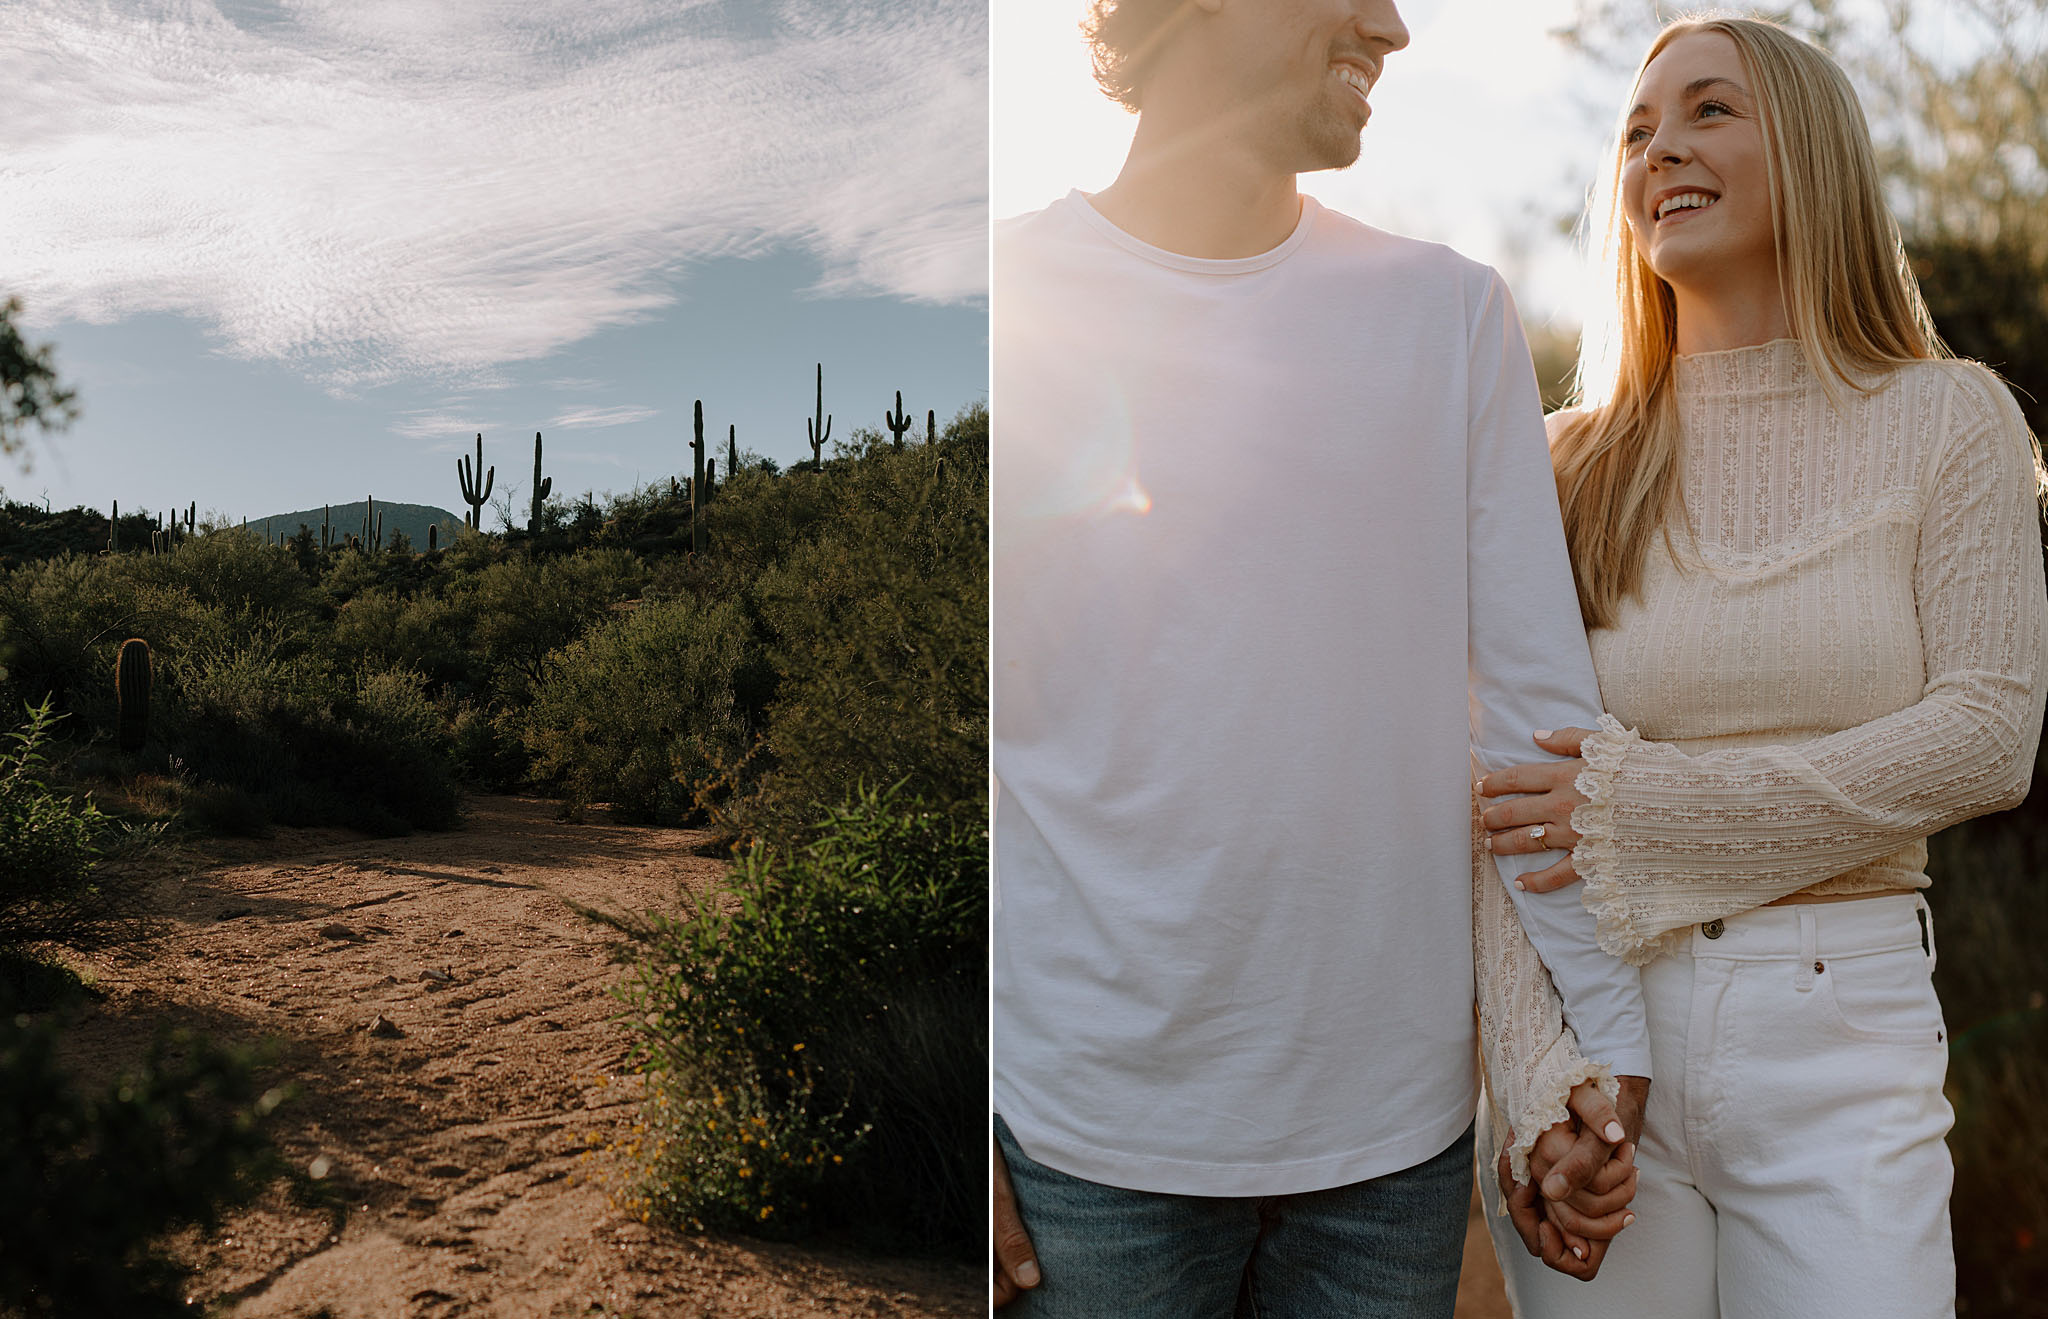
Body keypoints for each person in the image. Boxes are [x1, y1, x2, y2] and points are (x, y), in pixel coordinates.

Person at [992, 1, 1657, 1312]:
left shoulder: (1448, 315)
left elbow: (1538, 727)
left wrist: (1607, 1043)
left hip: (1389, 1160)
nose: (1391, 26)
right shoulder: (1007, 304)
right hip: (1082, 1149)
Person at [1474, 16, 2048, 1317]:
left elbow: (1986, 734)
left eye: (1708, 111)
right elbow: (1499, 796)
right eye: (1635, 131)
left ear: (1813, 152)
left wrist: (1643, 813)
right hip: (1599, 1036)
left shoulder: (1950, 420)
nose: (1659, 147)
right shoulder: (1560, 463)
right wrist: (1535, 1084)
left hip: (1845, 1033)